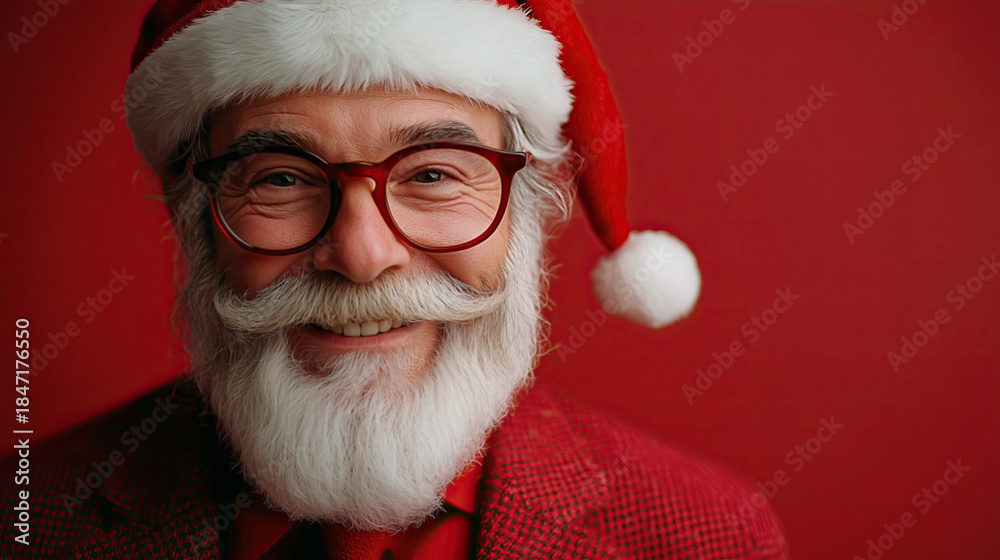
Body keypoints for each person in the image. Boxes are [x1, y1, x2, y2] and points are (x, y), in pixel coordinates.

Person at [2, 0, 788, 558]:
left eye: (437, 174)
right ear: (193, 214)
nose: (362, 254)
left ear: (528, 207)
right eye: (279, 179)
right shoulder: (26, 520)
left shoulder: (705, 534)